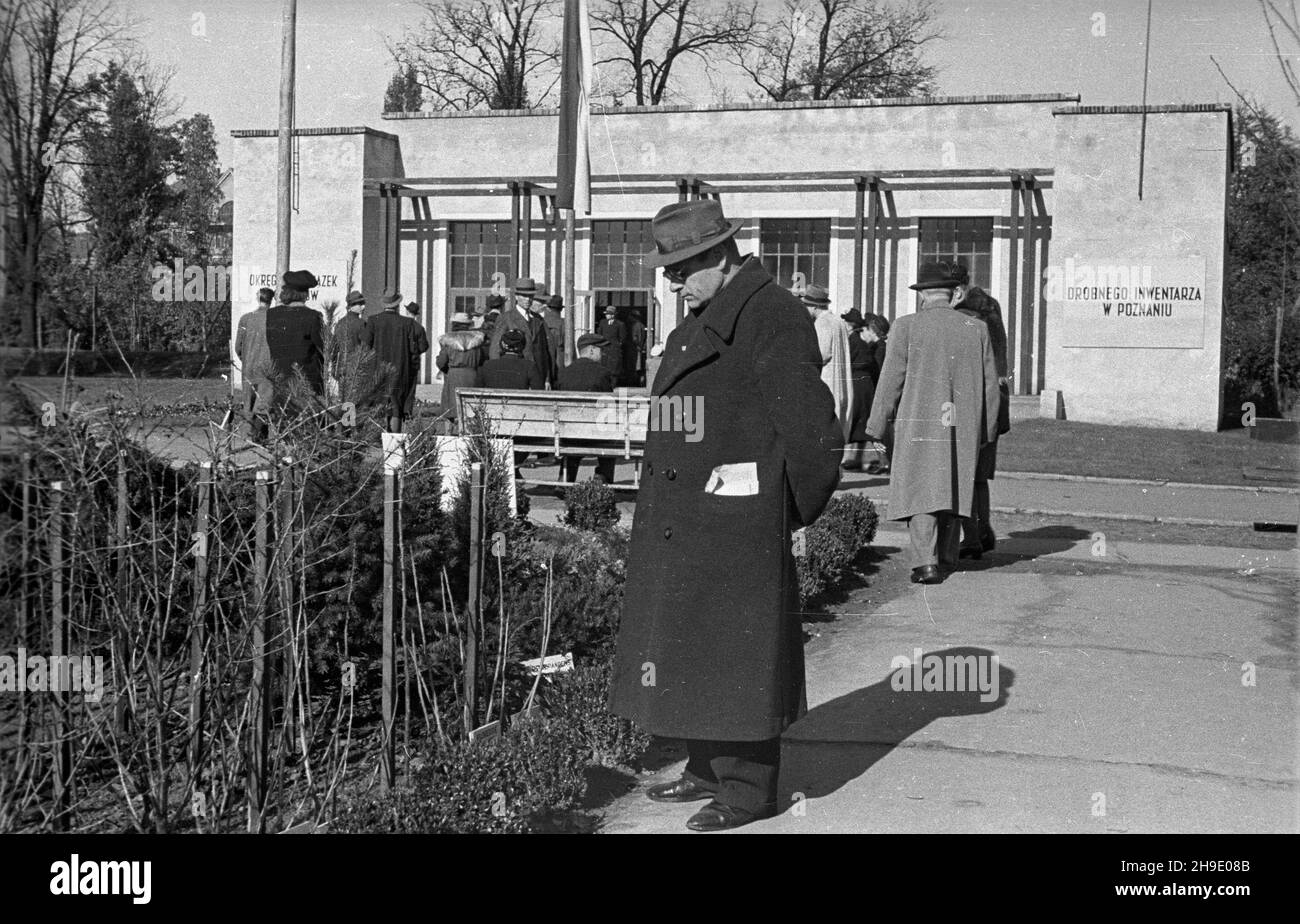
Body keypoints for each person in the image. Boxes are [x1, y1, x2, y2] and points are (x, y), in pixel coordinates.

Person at [608, 199, 843, 832]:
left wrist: (776, 513)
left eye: (681, 270)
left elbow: (814, 434)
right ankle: (706, 768)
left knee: (736, 656)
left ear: (718, 257)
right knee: (694, 650)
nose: (672, 283)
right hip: (688, 517)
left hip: (734, 522)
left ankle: (748, 790)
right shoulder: (708, 313)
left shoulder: (772, 316)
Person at [865, 262, 1001, 585]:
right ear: (953, 293)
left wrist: (876, 427)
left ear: (923, 295)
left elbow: (889, 383)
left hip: (918, 422)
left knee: (920, 487)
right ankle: (948, 556)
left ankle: (926, 562)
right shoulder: (976, 329)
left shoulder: (904, 327)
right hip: (961, 423)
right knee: (953, 484)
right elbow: (991, 387)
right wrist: (986, 432)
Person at [953, 265, 1011, 558]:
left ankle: (972, 537)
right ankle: (984, 530)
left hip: (972, 401)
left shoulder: (965, 318)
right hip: (996, 401)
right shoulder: (992, 310)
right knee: (978, 476)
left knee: (964, 474)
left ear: (958, 290)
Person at [556, 332, 618, 484]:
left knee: (574, 431)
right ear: (591, 350)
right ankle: (603, 477)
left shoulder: (564, 372)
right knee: (610, 434)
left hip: (568, 433)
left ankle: (565, 477)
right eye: (600, 350)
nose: (602, 354)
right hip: (594, 435)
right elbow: (608, 406)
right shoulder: (603, 373)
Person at [363, 290, 429, 432]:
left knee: (378, 403)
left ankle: (378, 436)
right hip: (400, 368)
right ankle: (394, 438)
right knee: (396, 405)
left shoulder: (373, 320)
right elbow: (414, 349)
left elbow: (365, 346)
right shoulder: (408, 323)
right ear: (397, 305)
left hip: (377, 368)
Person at [265, 269, 326, 418]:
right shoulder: (313, 317)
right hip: (307, 385)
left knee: (284, 431)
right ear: (305, 294)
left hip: (281, 383)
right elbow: (326, 347)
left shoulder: (272, 315)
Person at [802, 285, 854, 443]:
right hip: (842, 385)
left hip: (828, 382)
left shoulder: (821, 323)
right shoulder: (838, 322)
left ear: (815, 306)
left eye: (806, 306)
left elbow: (821, 354)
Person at [487, 277, 552, 386]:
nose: (528, 299)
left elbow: (544, 351)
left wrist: (547, 378)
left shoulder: (538, 320)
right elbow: (495, 351)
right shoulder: (506, 318)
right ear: (517, 296)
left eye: (530, 296)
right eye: (524, 296)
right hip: (515, 377)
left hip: (537, 377)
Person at [234, 286, 275, 441]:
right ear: (272, 300)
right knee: (264, 402)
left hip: (249, 367)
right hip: (267, 368)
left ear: (258, 298)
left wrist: (246, 359)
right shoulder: (275, 320)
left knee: (249, 403)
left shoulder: (246, 319)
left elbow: (238, 346)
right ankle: (259, 437)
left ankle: (248, 436)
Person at [434, 312, 485, 434]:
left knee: (450, 407)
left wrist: (448, 370)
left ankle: (449, 435)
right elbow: (482, 360)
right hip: (472, 375)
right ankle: (468, 434)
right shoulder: (477, 341)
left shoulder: (448, 341)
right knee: (470, 408)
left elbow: (441, 362)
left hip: (453, 376)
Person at [840, 309, 874, 470]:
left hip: (857, 384)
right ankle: (858, 458)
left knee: (857, 422)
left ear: (851, 325)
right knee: (860, 423)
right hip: (863, 384)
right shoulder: (858, 341)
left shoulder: (852, 341)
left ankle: (860, 459)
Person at [862, 313, 892, 474]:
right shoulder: (883, 346)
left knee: (877, 431)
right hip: (878, 391)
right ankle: (884, 460)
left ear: (873, 331)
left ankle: (884, 461)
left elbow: (879, 372)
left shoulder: (879, 349)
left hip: (877, 392)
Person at [480, 328, 545, 389]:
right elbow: (539, 391)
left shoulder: (487, 365)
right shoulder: (529, 366)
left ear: (502, 344)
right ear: (522, 346)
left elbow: (477, 390)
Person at [596, 304, 628, 383]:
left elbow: (623, 338)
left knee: (614, 369)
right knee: (604, 367)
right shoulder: (602, 323)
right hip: (604, 349)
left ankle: (613, 384)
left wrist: (617, 345)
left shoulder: (620, 324)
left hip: (614, 350)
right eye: (606, 314)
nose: (606, 315)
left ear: (613, 315)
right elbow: (599, 334)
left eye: (608, 314)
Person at [541, 294, 566, 381]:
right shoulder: (564, 323)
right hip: (560, 362)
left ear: (548, 308)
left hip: (543, 361)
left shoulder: (540, 321)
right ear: (561, 309)